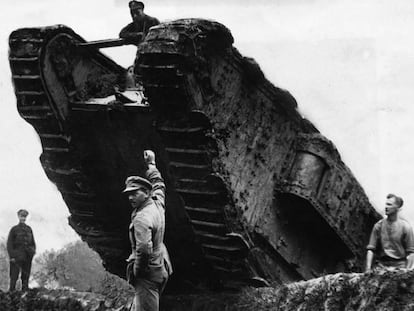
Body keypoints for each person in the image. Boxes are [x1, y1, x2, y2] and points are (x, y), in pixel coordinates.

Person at [124, 150, 172, 311]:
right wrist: (151, 164)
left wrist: (138, 272)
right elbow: (159, 185)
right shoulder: (157, 203)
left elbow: (143, 249)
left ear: (146, 193)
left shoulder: (142, 218)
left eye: (134, 193)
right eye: (129, 194)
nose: (130, 198)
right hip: (161, 266)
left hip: (147, 275)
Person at [365, 194, 414, 271]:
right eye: (386, 204)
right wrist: (367, 269)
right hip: (382, 265)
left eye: (389, 204)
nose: (386, 207)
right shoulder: (378, 226)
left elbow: (411, 253)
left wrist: (407, 271)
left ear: (397, 208)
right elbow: (371, 249)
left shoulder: (406, 227)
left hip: (400, 266)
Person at [7, 209, 36, 291]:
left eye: (24, 217)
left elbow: (32, 242)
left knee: (26, 275)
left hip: (27, 256)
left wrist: (32, 252)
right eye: (21, 216)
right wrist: (12, 256)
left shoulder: (29, 229)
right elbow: (9, 244)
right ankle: (11, 292)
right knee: (14, 275)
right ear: (18, 217)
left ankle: (25, 291)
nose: (23, 218)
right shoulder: (14, 229)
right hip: (17, 256)